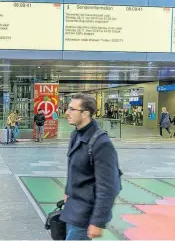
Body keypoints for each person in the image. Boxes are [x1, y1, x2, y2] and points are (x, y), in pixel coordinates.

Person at [61, 93, 121, 240]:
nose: (67, 113)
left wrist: (98, 222)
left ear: (85, 114)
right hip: (73, 208)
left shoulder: (101, 143)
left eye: (71, 109)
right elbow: (74, 169)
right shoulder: (76, 135)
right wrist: (68, 191)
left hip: (86, 214)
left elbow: (108, 187)